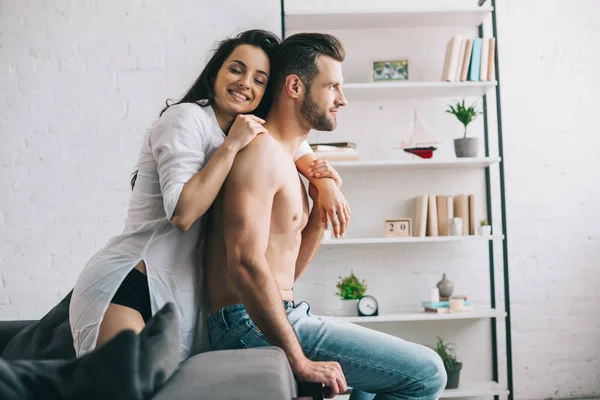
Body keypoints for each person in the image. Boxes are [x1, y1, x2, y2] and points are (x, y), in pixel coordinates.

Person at [69, 29, 351, 363]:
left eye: (260, 79)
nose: (246, 82)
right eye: (236, 69)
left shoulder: (250, 131)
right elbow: (183, 216)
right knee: (125, 386)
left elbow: (299, 150)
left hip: (178, 295)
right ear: (214, 72)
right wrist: (231, 145)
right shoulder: (185, 119)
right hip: (132, 281)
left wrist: (328, 186)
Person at [204, 32, 447, 399]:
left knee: (369, 385)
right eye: (332, 86)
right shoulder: (260, 154)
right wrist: (299, 361)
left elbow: (285, 274)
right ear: (295, 86)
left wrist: (318, 213)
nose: (342, 99)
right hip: (244, 323)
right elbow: (243, 263)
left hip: (276, 311)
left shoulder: (288, 160)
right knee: (428, 373)